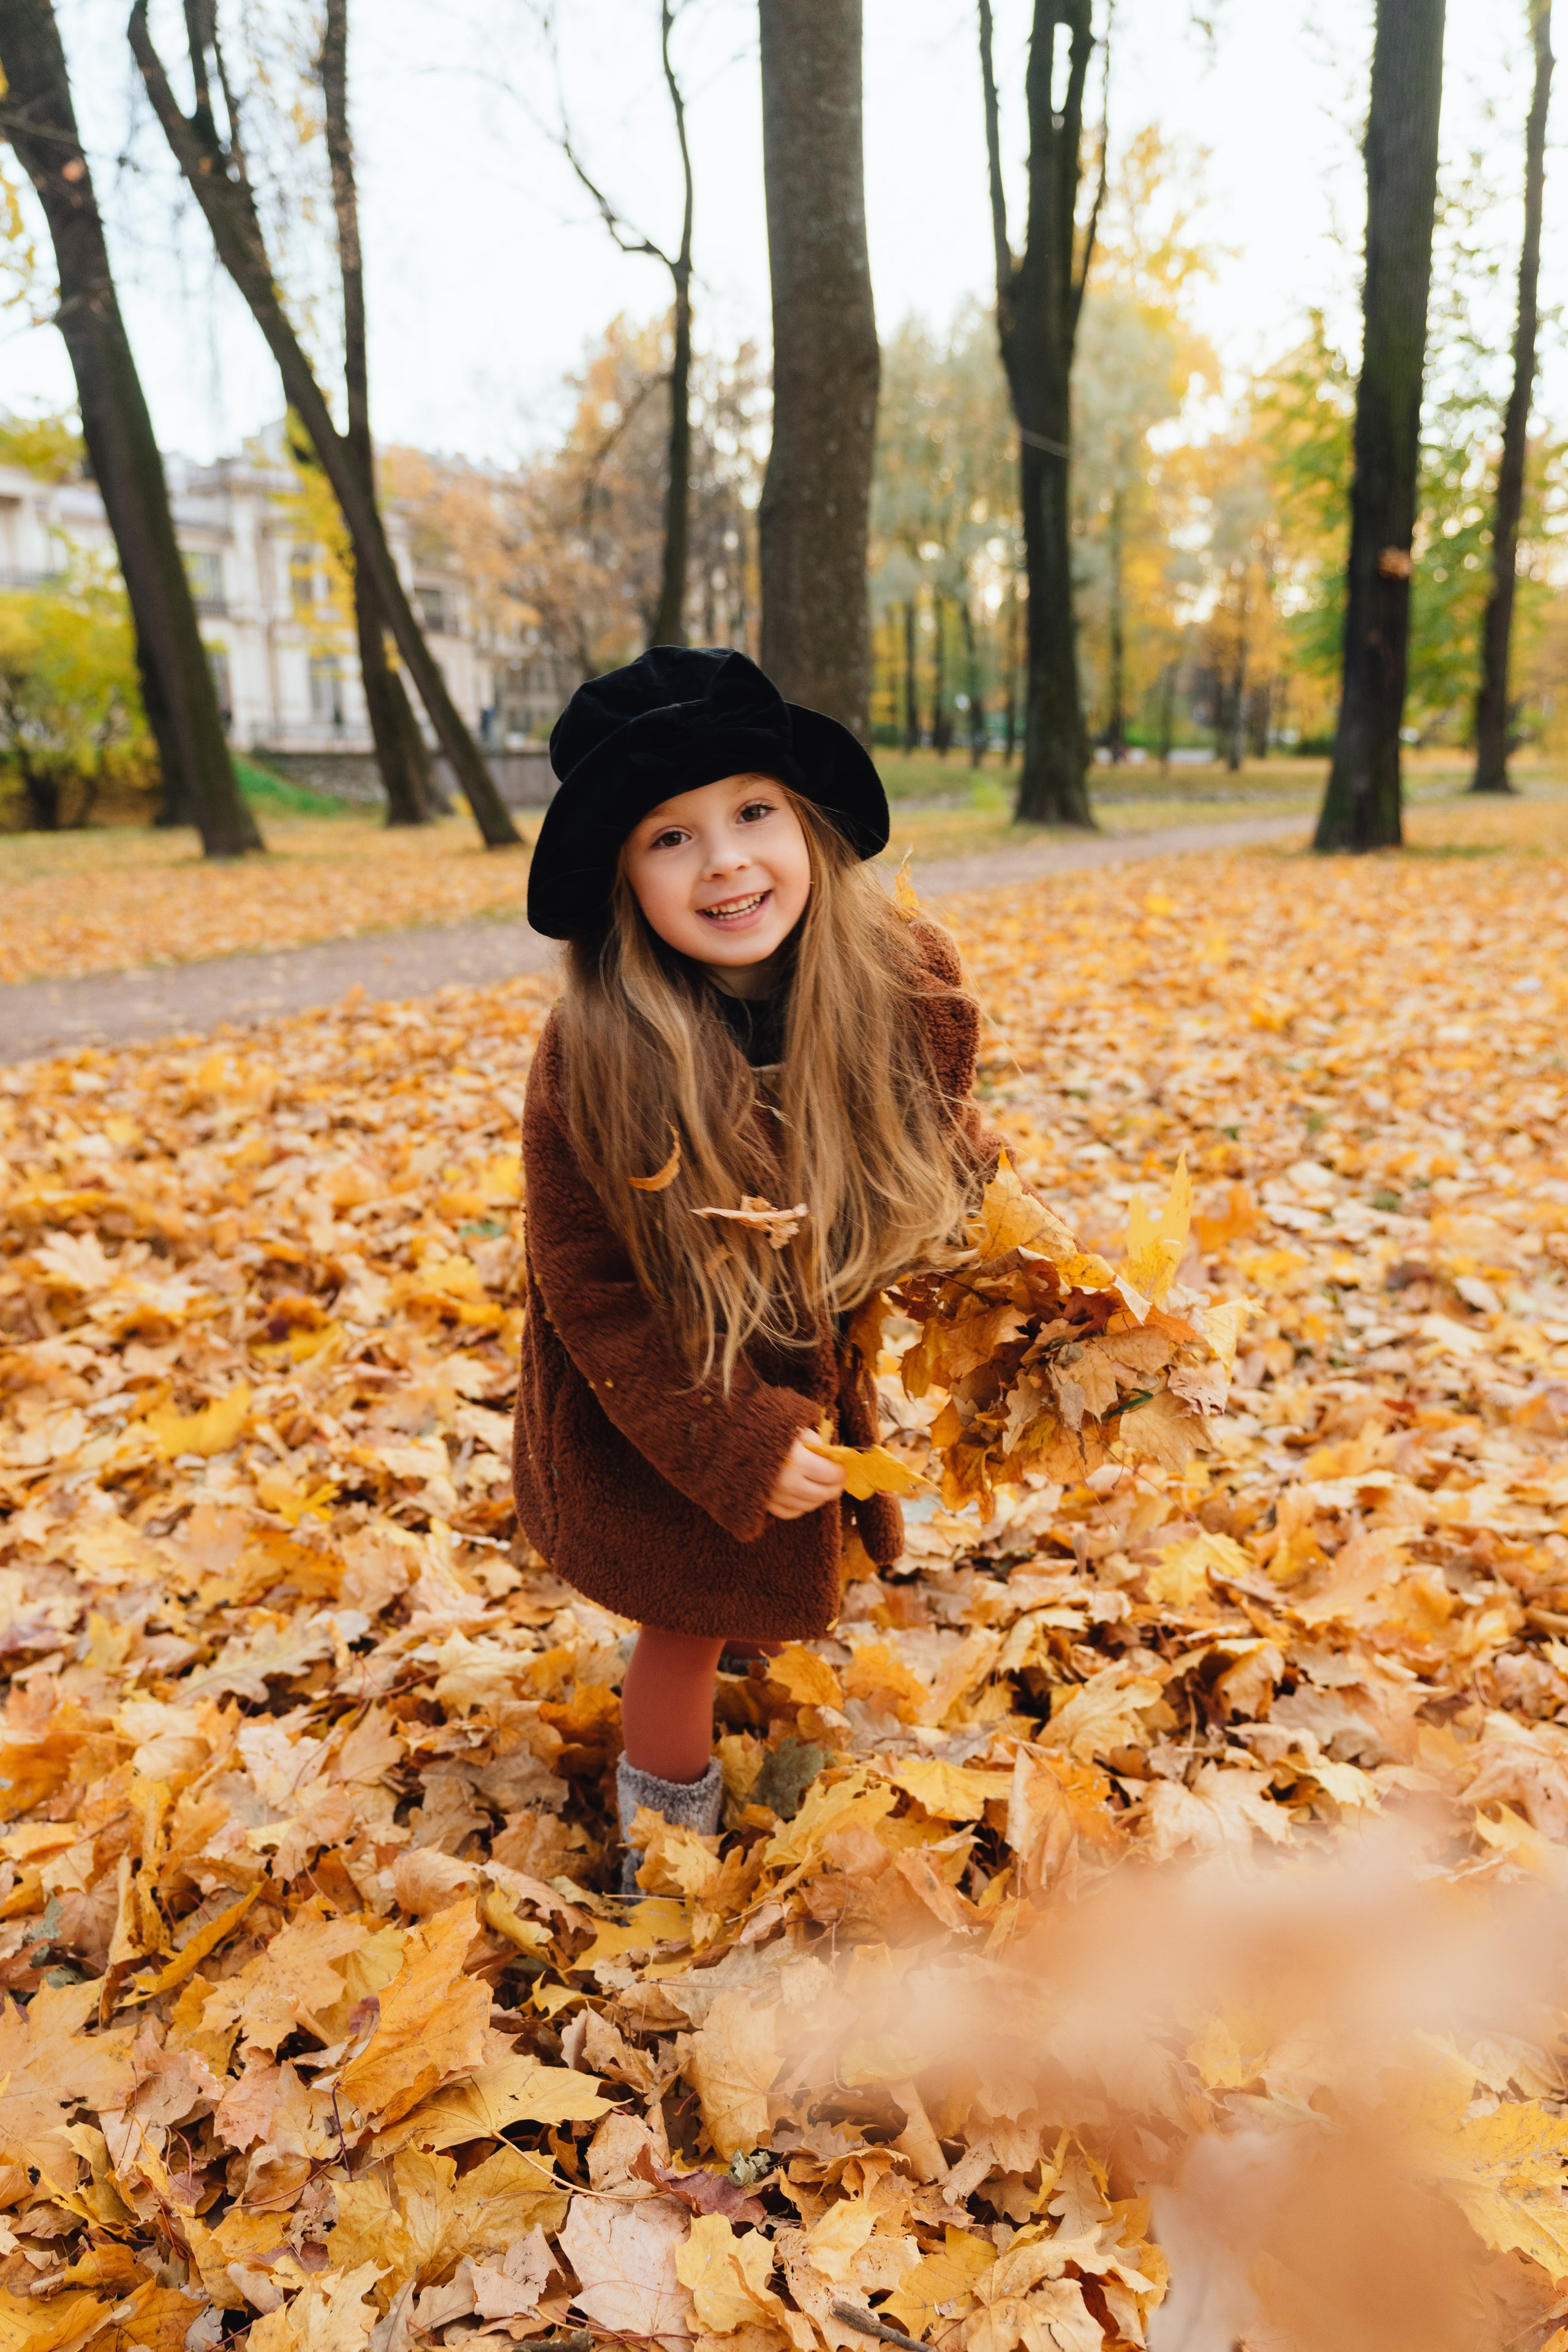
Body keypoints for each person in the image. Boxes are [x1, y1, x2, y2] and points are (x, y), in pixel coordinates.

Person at [513, 646, 1000, 1889]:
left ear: (805, 825)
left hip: (795, 1343)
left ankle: (750, 1623)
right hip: (663, 1391)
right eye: (670, 837)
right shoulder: (598, 1050)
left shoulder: (891, 984)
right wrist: (728, 1437)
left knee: (753, 1571)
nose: (724, 861)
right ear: (624, 878)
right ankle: (663, 1855)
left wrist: (1002, 1263)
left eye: (752, 813)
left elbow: (942, 1151)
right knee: (681, 1623)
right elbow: (589, 1290)